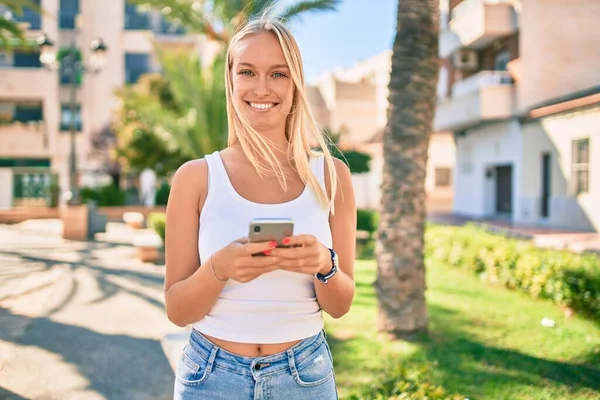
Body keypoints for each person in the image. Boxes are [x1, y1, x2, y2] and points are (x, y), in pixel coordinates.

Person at [164, 14, 356, 400]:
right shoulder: (196, 178)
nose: (262, 88)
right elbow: (178, 310)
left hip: (305, 376)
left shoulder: (332, 175)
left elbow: (340, 305)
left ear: (296, 84)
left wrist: (324, 263)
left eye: (279, 74)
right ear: (231, 81)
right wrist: (219, 268)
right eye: (248, 72)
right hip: (210, 377)